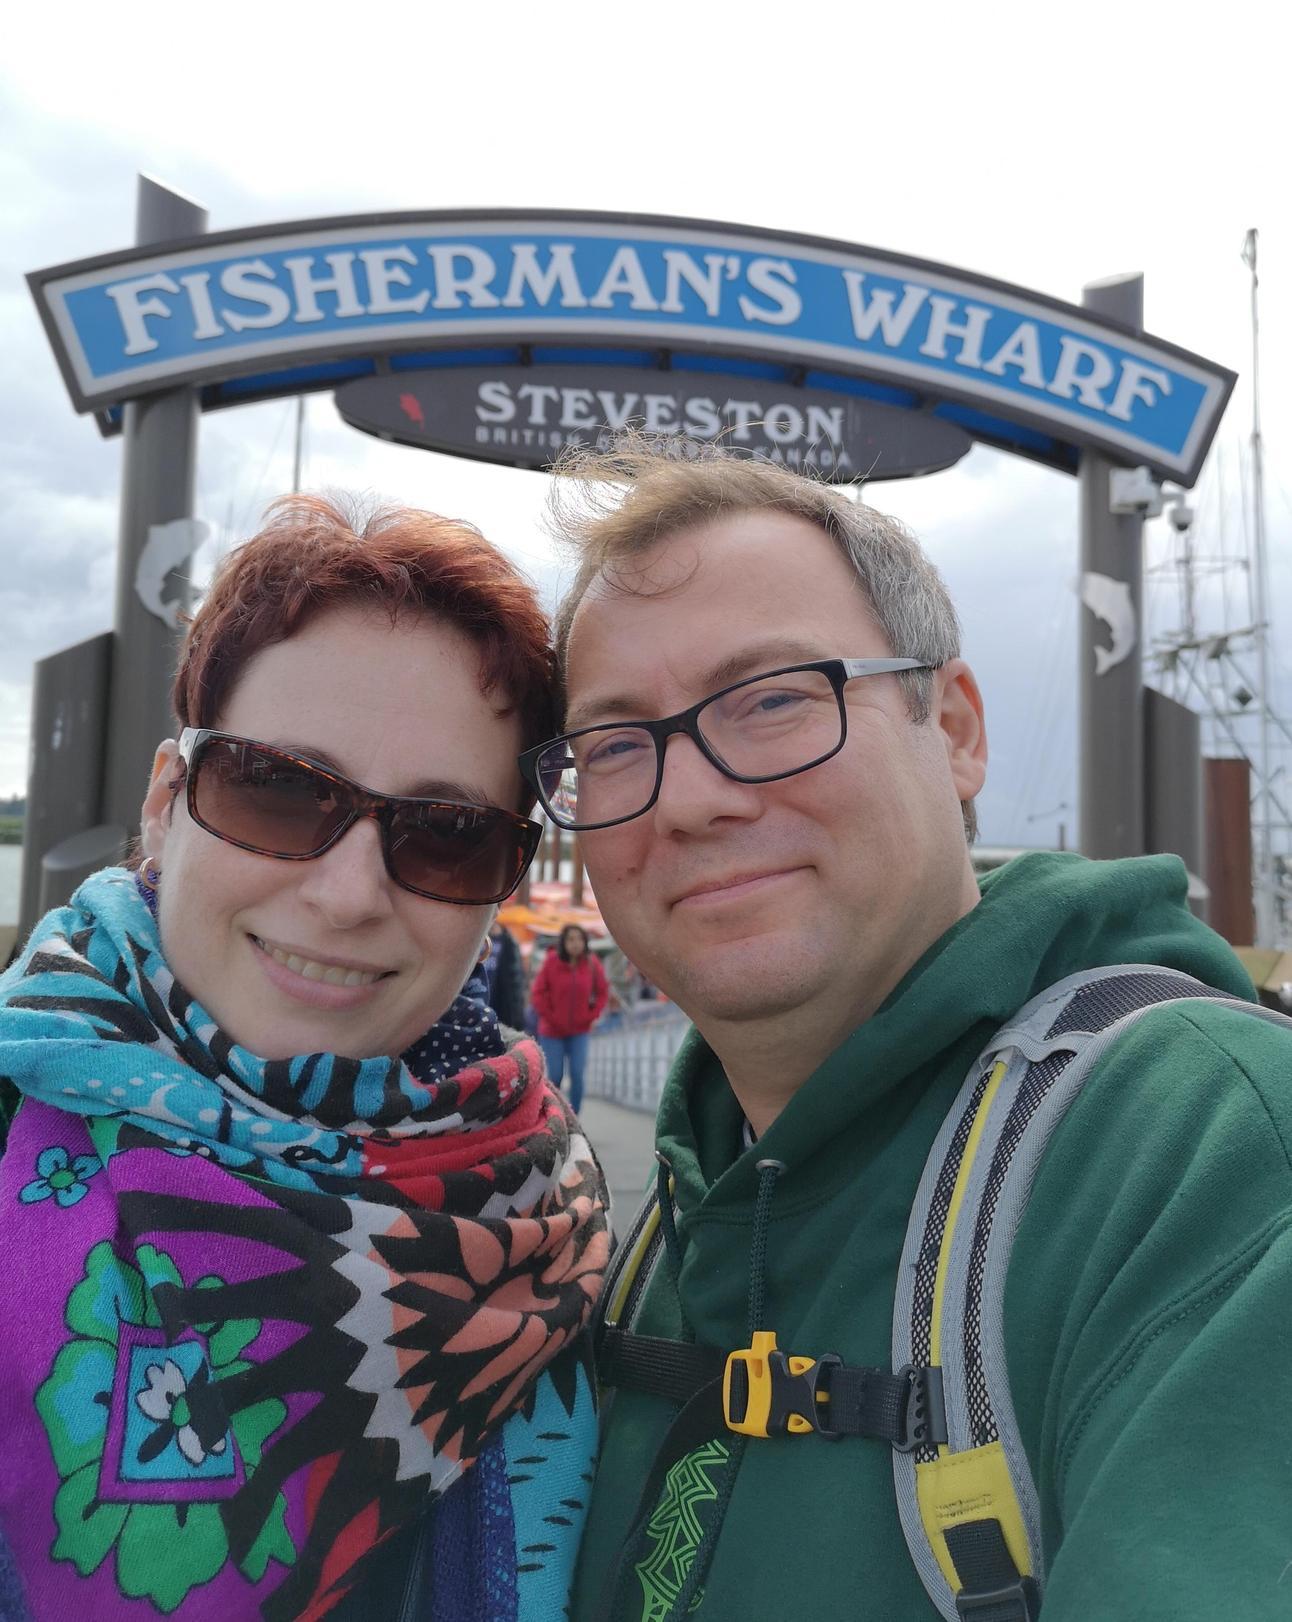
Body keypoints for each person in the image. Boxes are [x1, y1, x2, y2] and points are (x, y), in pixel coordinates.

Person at [519, 440, 1292, 1622]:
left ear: (957, 729)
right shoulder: (654, 1231)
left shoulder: (1207, 1154)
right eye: (616, 744)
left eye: (774, 699)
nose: (691, 799)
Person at [0, 495, 610, 1622]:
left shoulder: (565, 1213)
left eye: (446, 834)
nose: (346, 895)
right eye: (278, 788)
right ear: (166, 802)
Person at [528, 925, 609, 1115]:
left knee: (577, 1074)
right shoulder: (551, 961)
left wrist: (592, 1015)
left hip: (580, 1031)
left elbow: (603, 992)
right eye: (571, 939)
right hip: (552, 1031)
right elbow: (538, 993)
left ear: (585, 942)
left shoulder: (592, 963)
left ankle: (574, 1118)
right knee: (555, 1075)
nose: (575, 943)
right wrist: (551, 1017)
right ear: (563, 942)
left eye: (579, 939)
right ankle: (553, 1116)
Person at [483, 918, 527, 1029]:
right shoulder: (479, 940)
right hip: (479, 1000)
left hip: (500, 1004)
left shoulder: (509, 942)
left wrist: (516, 1015)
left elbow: (516, 980)